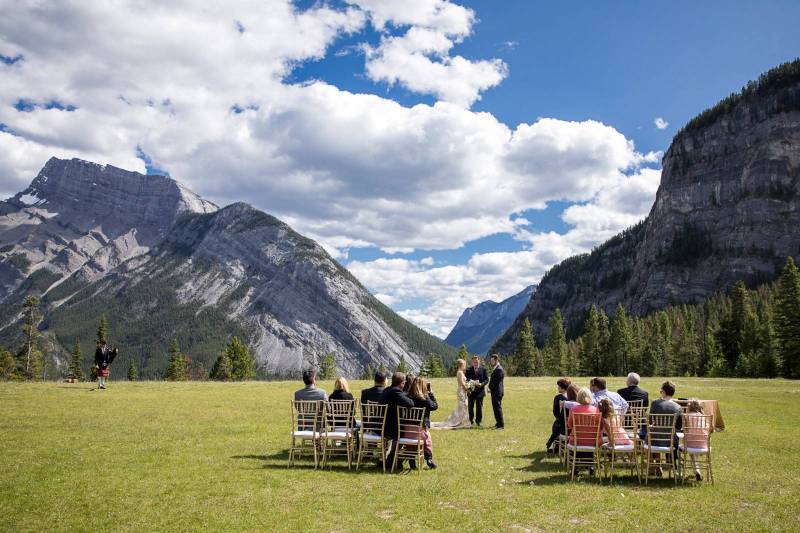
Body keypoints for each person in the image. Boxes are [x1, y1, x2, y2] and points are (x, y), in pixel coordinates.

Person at [378, 372, 415, 469]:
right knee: (404, 432)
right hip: (388, 428)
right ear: (402, 383)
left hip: (381, 425)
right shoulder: (396, 392)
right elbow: (410, 404)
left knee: (401, 431)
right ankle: (392, 459)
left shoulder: (387, 390)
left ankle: (391, 459)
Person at [648, 380, 683, 475]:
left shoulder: (655, 403)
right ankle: (671, 464)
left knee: (652, 433)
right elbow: (679, 426)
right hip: (670, 441)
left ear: (663, 391)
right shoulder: (678, 407)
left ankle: (657, 464)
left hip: (655, 439)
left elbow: (650, 421)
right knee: (673, 435)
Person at [407, 376, 439, 469]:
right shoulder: (425, 399)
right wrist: (430, 393)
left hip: (406, 430)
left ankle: (411, 461)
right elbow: (435, 406)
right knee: (427, 438)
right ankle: (429, 458)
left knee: (417, 438)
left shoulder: (407, 397)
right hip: (421, 430)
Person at [431, 359, 471, 429]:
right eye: (464, 365)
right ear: (461, 365)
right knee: (463, 405)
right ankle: (459, 421)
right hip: (461, 391)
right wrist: (467, 389)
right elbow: (461, 383)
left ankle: (462, 420)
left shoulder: (460, 372)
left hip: (462, 391)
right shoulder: (460, 373)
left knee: (463, 406)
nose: (465, 366)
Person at [684, 399, 711, 481]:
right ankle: (697, 470)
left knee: (691, 447)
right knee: (694, 448)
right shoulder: (703, 417)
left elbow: (685, 430)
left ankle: (697, 470)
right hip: (703, 444)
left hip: (691, 443)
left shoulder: (686, 416)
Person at [546, 378, 571, 454]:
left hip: (562, 424)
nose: (557, 388)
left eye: (558, 386)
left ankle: (556, 445)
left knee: (557, 425)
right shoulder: (573, 397)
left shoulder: (558, 398)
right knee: (558, 425)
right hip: (573, 424)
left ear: (562, 387)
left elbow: (555, 412)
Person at [465, 355, 488, 427]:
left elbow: (487, 379)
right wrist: (470, 384)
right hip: (471, 392)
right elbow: (466, 380)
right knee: (470, 408)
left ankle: (478, 421)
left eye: (477, 361)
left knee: (479, 408)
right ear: (472, 362)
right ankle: (471, 421)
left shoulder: (483, 369)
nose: (476, 363)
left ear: (479, 361)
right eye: (474, 362)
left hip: (480, 392)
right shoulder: (468, 370)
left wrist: (482, 384)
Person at [488, 354, 505, 429]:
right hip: (495, 392)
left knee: (497, 408)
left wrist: (489, 388)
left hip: (497, 392)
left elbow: (495, 381)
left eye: (492, 360)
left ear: (496, 360)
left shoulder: (499, 369)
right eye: (490, 360)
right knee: (495, 408)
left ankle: (501, 425)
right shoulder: (496, 368)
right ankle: (498, 423)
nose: (491, 362)